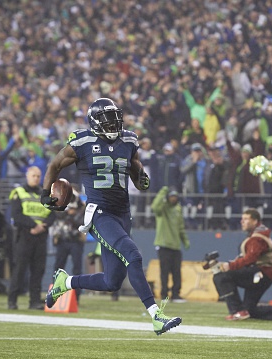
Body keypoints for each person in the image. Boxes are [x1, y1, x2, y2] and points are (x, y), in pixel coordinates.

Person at [41, 97, 181, 335]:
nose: (114, 126)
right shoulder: (82, 141)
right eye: (108, 122)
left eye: (115, 120)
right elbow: (55, 165)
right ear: (95, 123)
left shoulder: (129, 139)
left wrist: (141, 177)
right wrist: (45, 193)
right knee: (133, 256)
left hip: (122, 214)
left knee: (111, 282)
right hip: (99, 213)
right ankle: (156, 316)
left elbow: (134, 165)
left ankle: (66, 282)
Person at [211, 209, 272, 321]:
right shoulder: (259, 235)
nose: (242, 221)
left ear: (255, 221)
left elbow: (250, 259)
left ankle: (237, 311)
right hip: (265, 275)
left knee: (221, 276)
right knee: (250, 310)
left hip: (259, 273)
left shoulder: (257, 238)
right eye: (242, 219)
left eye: (246, 219)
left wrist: (230, 266)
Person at [8, 166, 56, 310]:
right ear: (27, 176)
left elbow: (52, 214)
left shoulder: (45, 194)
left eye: (38, 176)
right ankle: (12, 301)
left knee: (38, 270)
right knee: (20, 270)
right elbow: (16, 216)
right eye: (33, 175)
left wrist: (43, 226)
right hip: (24, 236)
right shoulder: (19, 192)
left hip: (41, 237)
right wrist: (33, 226)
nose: (36, 178)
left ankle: (34, 302)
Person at [152, 186, 190, 303]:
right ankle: (164, 295)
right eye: (171, 196)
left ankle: (176, 295)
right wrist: (162, 191)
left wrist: (184, 240)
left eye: (175, 197)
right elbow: (155, 206)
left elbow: (180, 227)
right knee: (165, 271)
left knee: (176, 271)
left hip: (175, 245)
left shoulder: (178, 209)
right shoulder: (162, 209)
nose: (173, 199)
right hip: (163, 245)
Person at [52, 188, 86, 304]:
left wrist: (73, 212)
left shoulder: (81, 206)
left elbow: (81, 221)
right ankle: (54, 295)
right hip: (62, 239)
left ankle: (76, 298)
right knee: (58, 267)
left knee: (77, 269)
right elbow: (56, 216)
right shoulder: (59, 202)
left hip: (76, 240)